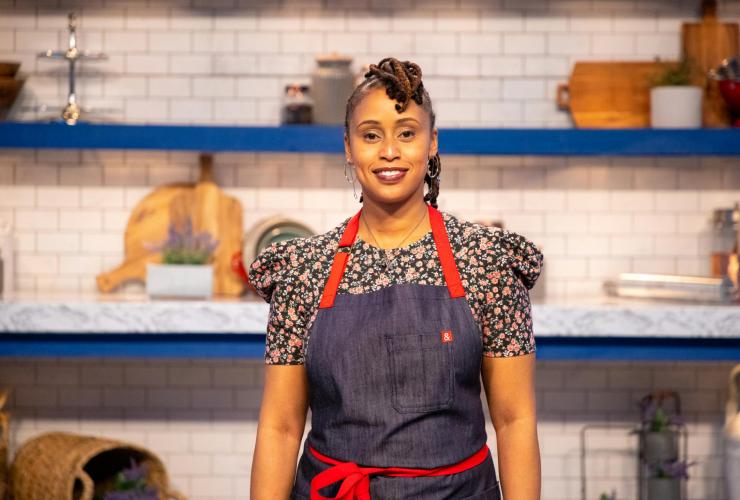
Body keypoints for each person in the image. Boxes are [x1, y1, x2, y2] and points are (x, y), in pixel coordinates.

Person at [249, 57, 544, 500]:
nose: (389, 151)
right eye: (371, 135)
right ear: (348, 147)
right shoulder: (305, 270)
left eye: (407, 133)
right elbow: (281, 427)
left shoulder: (486, 263)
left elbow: (514, 419)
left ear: (432, 142)